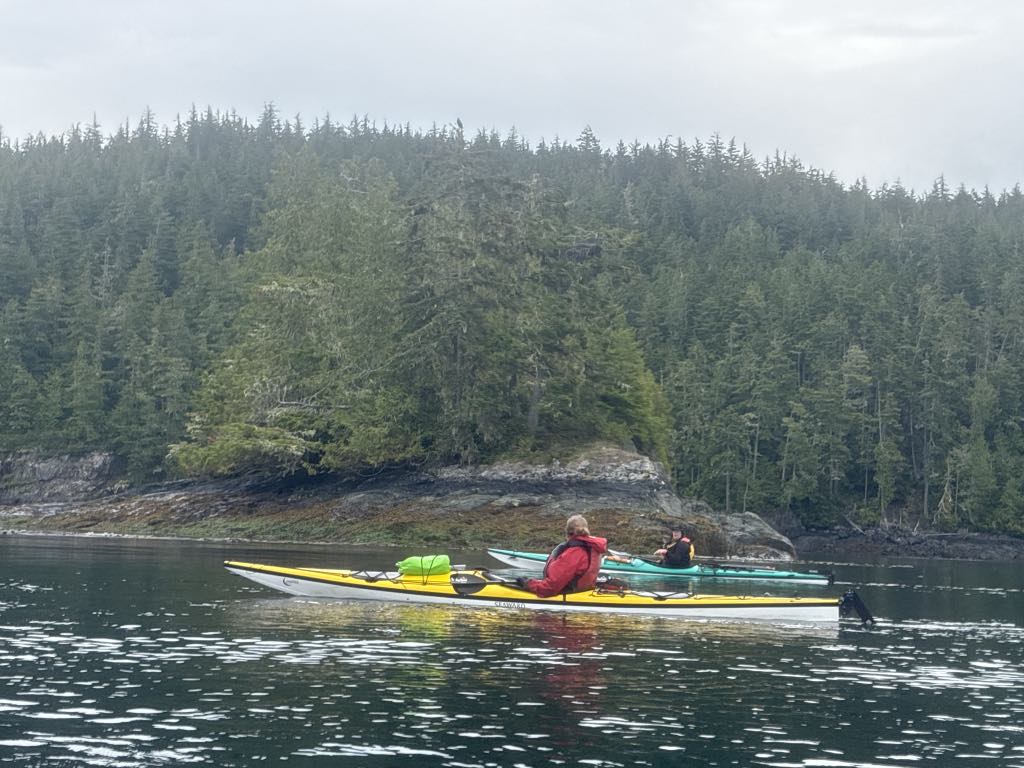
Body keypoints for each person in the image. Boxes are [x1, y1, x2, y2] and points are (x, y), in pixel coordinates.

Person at [515, 515, 609, 597]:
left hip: (570, 594)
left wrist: (528, 584)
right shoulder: (593, 548)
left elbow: (550, 588)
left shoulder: (574, 552)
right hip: (583, 591)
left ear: (568, 533)